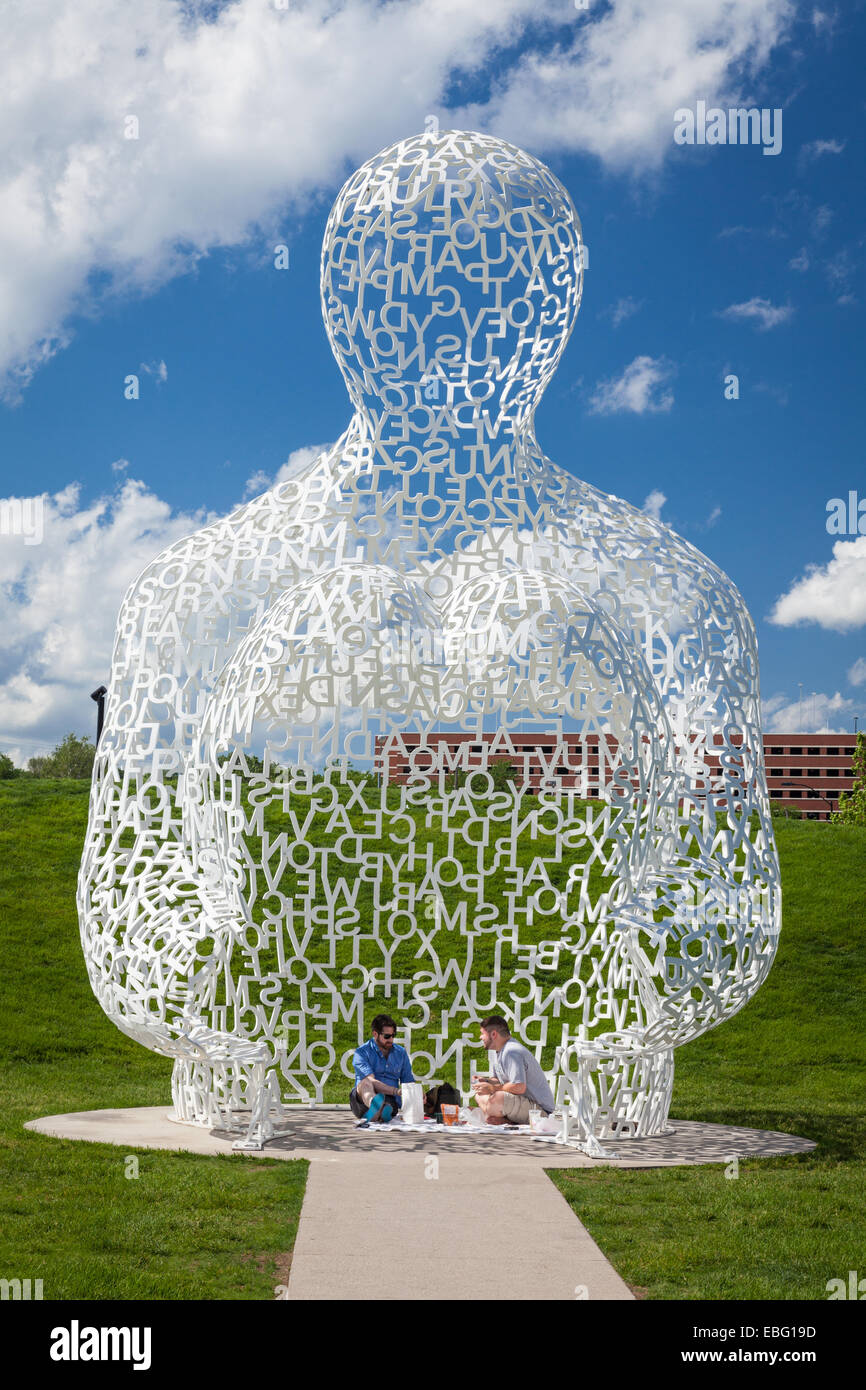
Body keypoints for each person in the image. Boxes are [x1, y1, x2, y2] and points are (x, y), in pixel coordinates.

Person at [472, 1016, 555, 1126]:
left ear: (493, 1034)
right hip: (521, 1102)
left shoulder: (511, 1052)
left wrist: (492, 1088)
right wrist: (486, 1081)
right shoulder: (500, 1052)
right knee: (479, 1094)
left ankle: (500, 1117)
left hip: (540, 1111)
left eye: (482, 1033)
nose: (480, 1037)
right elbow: (499, 1080)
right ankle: (501, 1117)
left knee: (497, 1099)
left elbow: (519, 1086)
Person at [350, 1015, 415, 1123]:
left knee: (388, 1105)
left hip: (389, 1099)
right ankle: (375, 1106)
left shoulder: (401, 1053)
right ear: (375, 1034)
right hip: (362, 1101)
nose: (391, 1039)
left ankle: (377, 1113)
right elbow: (371, 1081)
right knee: (366, 1082)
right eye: (387, 1036)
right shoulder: (361, 1053)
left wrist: (416, 1095)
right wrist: (396, 1091)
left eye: (393, 1035)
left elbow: (408, 1082)